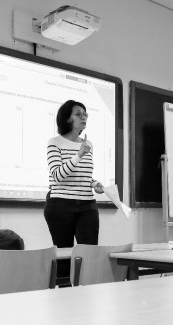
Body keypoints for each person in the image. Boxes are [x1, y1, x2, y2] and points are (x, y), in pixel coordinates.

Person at [44, 100, 104, 282]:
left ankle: (87, 296)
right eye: (78, 114)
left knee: (89, 254)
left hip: (87, 205)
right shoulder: (54, 143)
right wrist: (78, 155)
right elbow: (58, 176)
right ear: (66, 118)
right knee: (63, 256)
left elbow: (82, 175)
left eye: (85, 114)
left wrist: (94, 183)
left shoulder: (88, 144)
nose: (83, 117)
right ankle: (64, 300)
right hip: (60, 205)